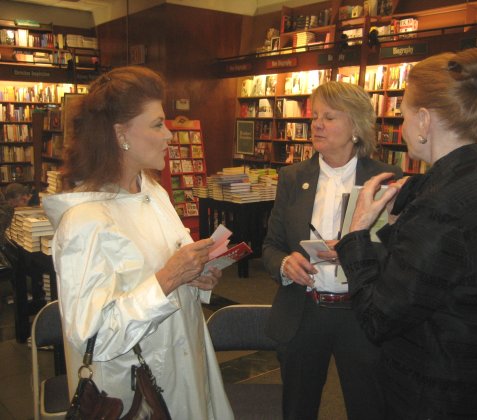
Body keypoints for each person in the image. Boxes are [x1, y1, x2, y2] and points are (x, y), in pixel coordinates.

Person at [334, 48, 477, 419]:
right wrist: (396, 225)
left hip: (435, 391)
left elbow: (377, 318)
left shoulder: (440, 206)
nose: (400, 125)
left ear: (423, 120)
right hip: (476, 378)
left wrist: (356, 235)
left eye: (402, 112)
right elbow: (435, 274)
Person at [42, 66, 233, 419]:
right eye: (157, 124)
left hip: (185, 367)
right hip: (134, 392)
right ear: (121, 134)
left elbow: (167, 273)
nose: (170, 135)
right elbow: (92, 339)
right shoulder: (84, 222)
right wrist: (167, 279)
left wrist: (195, 278)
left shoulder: (154, 193)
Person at [262, 81, 402, 419]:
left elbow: (397, 253)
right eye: (315, 117)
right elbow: (270, 246)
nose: (317, 124)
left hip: (361, 312)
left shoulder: (385, 179)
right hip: (304, 310)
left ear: (355, 126)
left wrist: (356, 251)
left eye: (329, 117)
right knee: (298, 408)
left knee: (369, 406)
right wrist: (284, 264)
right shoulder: (293, 177)